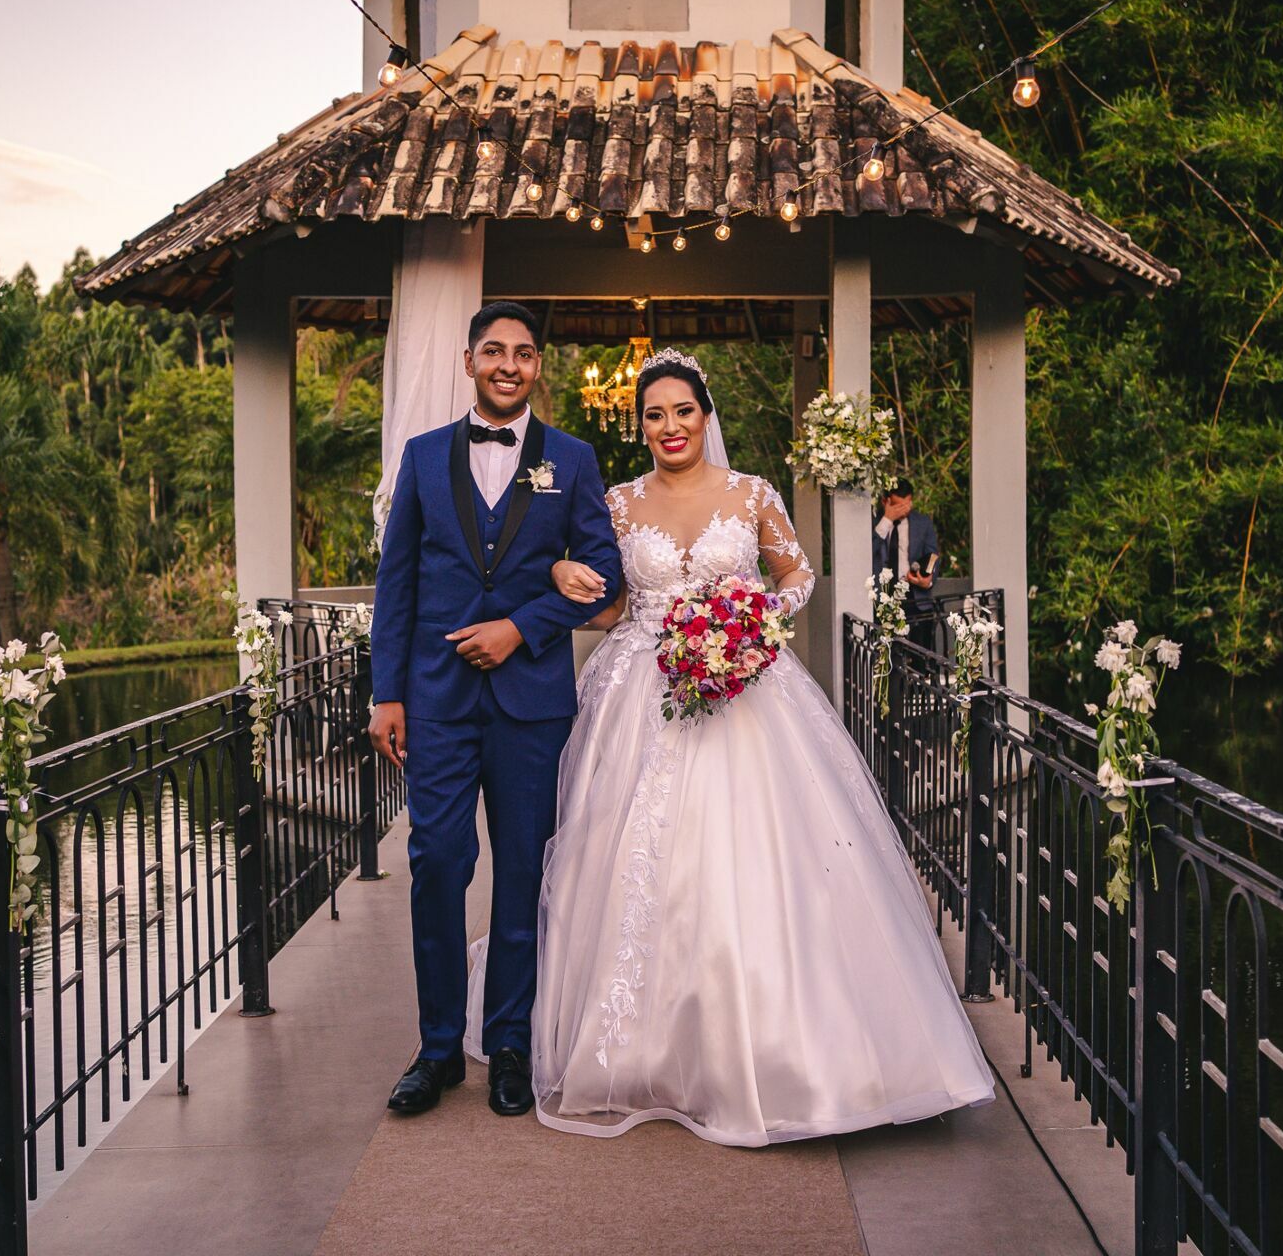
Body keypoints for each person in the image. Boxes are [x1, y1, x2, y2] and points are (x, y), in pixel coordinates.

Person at [480, 347, 994, 1147]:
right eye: (654, 414)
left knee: (755, 860)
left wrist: (748, 620)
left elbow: (798, 575)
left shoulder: (753, 494)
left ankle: (792, 1054)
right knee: (631, 864)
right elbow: (608, 607)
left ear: (705, 415)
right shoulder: (614, 503)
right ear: (639, 424)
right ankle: (643, 1048)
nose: (669, 425)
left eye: (683, 410)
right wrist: (561, 581)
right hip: (639, 693)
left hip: (748, 686)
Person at [369, 300, 622, 1118]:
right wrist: (387, 694)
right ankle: (438, 1047)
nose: (509, 364)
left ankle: (509, 1043)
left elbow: (607, 572)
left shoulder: (574, 460)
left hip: (532, 704)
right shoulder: (421, 456)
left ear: (537, 365)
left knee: (523, 873)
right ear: (469, 360)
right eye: (494, 351)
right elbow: (396, 584)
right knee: (437, 863)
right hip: (437, 706)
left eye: (523, 353)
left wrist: (522, 627)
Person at [873, 478, 942, 647]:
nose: (904, 510)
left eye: (908, 504)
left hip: (915, 597)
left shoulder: (922, 522)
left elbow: (933, 555)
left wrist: (928, 579)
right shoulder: (873, 523)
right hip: (882, 598)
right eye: (898, 505)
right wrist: (887, 520)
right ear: (885, 501)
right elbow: (864, 552)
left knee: (920, 656)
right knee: (886, 654)